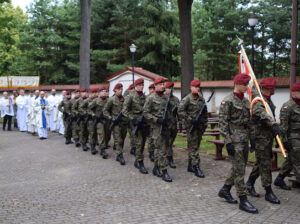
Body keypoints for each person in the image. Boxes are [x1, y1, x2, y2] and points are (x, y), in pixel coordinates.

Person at [217, 73, 258, 214]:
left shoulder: (246, 101)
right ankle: (243, 199)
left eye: (247, 84)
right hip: (234, 139)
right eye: (244, 84)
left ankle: (225, 190)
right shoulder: (227, 101)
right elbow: (222, 123)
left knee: (238, 167)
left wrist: (252, 139)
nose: (246, 87)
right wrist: (228, 141)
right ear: (237, 84)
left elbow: (250, 122)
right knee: (240, 170)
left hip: (244, 138)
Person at [245, 78, 280, 204]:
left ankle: (249, 183)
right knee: (265, 165)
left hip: (267, 138)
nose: (275, 89)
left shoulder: (268, 101)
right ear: (269, 88)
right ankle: (268, 191)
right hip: (260, 139)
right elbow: (262, 114)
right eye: (273, 87)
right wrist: (273, 124)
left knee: (260, 163)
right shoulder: (259, 101)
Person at [144, 77, 173, 182]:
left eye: (163, 84)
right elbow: (146, 113)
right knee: (162, 150)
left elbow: (169, 112)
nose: (162, 86)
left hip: (165, 127)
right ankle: (164, 171)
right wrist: (156, 119)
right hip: (156, 128)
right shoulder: (151, 98)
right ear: (155, 86)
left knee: (163, 148)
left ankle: (156, 168)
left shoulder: (166, 98)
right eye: (160, 84)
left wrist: (168, 121)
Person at [178, 80, 207, 177]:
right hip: (191, 126)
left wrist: (205, 124)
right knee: (193, 146)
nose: (197, 88)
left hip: (199, 127)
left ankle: (190, 165)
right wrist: (190, 119)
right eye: (195, 87)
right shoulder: (187, 99)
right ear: (191, 87)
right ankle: (196, 167)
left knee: (195, 146)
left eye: (198, 86)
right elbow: (180, 110)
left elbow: (204, 113)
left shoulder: (201, 99)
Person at [274, 82, 300, 189]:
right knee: (298, 161)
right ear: (294, 93)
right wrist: (284, 141)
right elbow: (283, 126)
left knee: (291, 160)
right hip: (292, 138)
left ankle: (279, 179)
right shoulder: (287, 106)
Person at [123, 78, 148, 174]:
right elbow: (125, 110)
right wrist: (132, 118)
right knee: (138, 142)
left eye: (142, 85)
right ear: (136, 86)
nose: (142, 86)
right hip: (135, 124)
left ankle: (137, 160)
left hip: (144, 123)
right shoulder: (131, 97)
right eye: (140, 85)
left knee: (142, 143)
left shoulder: (145, 97)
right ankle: (140, 163)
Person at [104, 83, 128, 165]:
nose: (121, 91)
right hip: (116, 123)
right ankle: (119, 155)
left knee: (123, 138)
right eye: (119, 89)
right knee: (118, 139)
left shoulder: (124, 99)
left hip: (123, 122)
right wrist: (111, 118)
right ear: (115, 90)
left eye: (121, 89)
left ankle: (119, 153)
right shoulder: (111, 99)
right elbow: (105, 111)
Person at [89, 87, 109, 159]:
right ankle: (102, 149)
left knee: (106, 134)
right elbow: (89, 108)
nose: (104, 92)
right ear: (100, 93)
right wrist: (94, 115)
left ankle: (103, 146)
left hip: (106, 120)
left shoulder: (108, 100)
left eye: (105, 91)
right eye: (102, 91)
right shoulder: (96, 101)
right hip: (98, 120)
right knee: (101, 134)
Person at [165, 81, 180, 169]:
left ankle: (168, 156)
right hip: (166, 124)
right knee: (167, 142)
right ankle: (169, 158)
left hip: (173, 124)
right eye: (169, 88)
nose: (170, 90)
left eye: (172, 88)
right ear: (166, 89)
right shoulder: (163, 98)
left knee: (171, 142)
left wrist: (180, 122)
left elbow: (179, 111)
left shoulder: (176, 99)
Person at [86, 88, 99, 155]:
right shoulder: (88, 100)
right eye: (93, 93)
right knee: (92, 133)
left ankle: (94, 145)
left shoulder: (97, 100)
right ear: (90, 93)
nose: (94, 94)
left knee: (96, 133)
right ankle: (92, 147)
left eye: (95, 92)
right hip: (91, 119)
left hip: (97, 119)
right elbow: (83, 107)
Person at [146, 83, 156, 162]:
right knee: (150, 138)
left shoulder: (156, 98)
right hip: (148, 122)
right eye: (151, 89)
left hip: (155, 122)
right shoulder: (147, 98)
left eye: (153, 89)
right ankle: (151, 152)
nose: (152, 90)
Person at [126, 84, 137, 156]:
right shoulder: (127, 98)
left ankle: (135, 147)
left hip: (136, 119)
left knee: (135, 134)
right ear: (129, 90)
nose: (133, 90)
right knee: (132, 134)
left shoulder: (137, 97)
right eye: (131, 89)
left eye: (134, 88)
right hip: (129, 119)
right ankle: (133, 147)